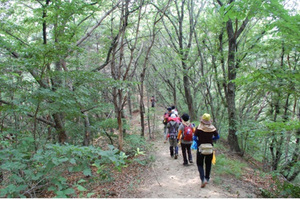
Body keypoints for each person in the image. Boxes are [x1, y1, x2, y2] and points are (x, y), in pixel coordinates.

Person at [194, 113, 219, 188]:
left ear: (202, 120)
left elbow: (194, 138)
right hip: (210, 149)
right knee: (208, 164)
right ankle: (207, 178)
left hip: (201, 149)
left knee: (199, 164)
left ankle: (202, 179)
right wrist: (211, 139)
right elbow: (217, 136)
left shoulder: (199, 128)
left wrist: (199, 141)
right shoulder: (212, 128)